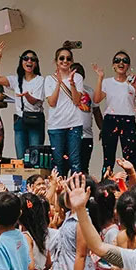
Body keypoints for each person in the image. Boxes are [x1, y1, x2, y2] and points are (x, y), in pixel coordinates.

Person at [94, 50, 136, 173]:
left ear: (128, 65)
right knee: (108, 156)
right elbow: (96, 99)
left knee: (130, 157)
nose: (121, 63)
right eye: (117, 60)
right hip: (110, 119)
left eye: (125, 61)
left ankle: (131, 181)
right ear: (113, 65)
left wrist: (135, 86)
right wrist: (100, 78)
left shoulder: (134, 82)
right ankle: (106, 182)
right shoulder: (107, 82)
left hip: (128, 119)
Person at [0, 43, 46, 161]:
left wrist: (26, 95)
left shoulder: (40, 80)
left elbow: (34, 102)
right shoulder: (16, 80)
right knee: (21, 158)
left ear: (36, 63)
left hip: (35, 118)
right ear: (21, 62)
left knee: (35, 156)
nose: (29, 61)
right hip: (20, 119)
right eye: (26, 58)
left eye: (33, 59)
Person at [46, 46, 87, 175]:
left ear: (72, 61)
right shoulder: (49, 79)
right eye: (61, 58)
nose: (65, 61)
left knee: (75, 161)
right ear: (56, 61)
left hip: (74, 124)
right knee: (58, 161)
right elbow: (51, 103)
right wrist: (58, 83)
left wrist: (72, 83)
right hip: (56, 125)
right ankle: (59, 187)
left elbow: (76, 101)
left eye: (68, 58)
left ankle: (75, 186)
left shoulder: (77, 77)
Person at [71, 62, 98, 173]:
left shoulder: (90, 91)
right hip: (70, 135)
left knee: (83, 167)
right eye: (74, 72)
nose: (77, 75)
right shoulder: (66, 90)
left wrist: (103, 128)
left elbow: (96, 111)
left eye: (80, 72)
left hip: (87, 135)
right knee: (70, 166)